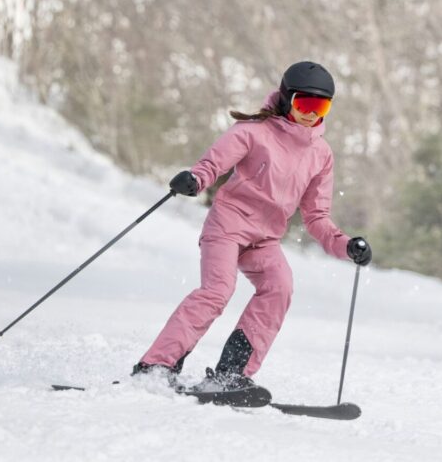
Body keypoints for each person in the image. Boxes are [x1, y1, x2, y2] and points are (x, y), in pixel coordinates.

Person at [132, 61, 373, 392]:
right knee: (217, 291)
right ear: (288, 99)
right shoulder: (253, 132)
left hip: (265, 239)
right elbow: (212, 163)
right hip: (228, 226)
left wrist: (345, 244)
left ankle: (231, 375)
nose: (311, 113)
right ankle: (156, 366)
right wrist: (195, 179)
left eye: (321, 106)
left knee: (280, 287)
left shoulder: (321, 154)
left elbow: (317, 216)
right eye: (305, 103)